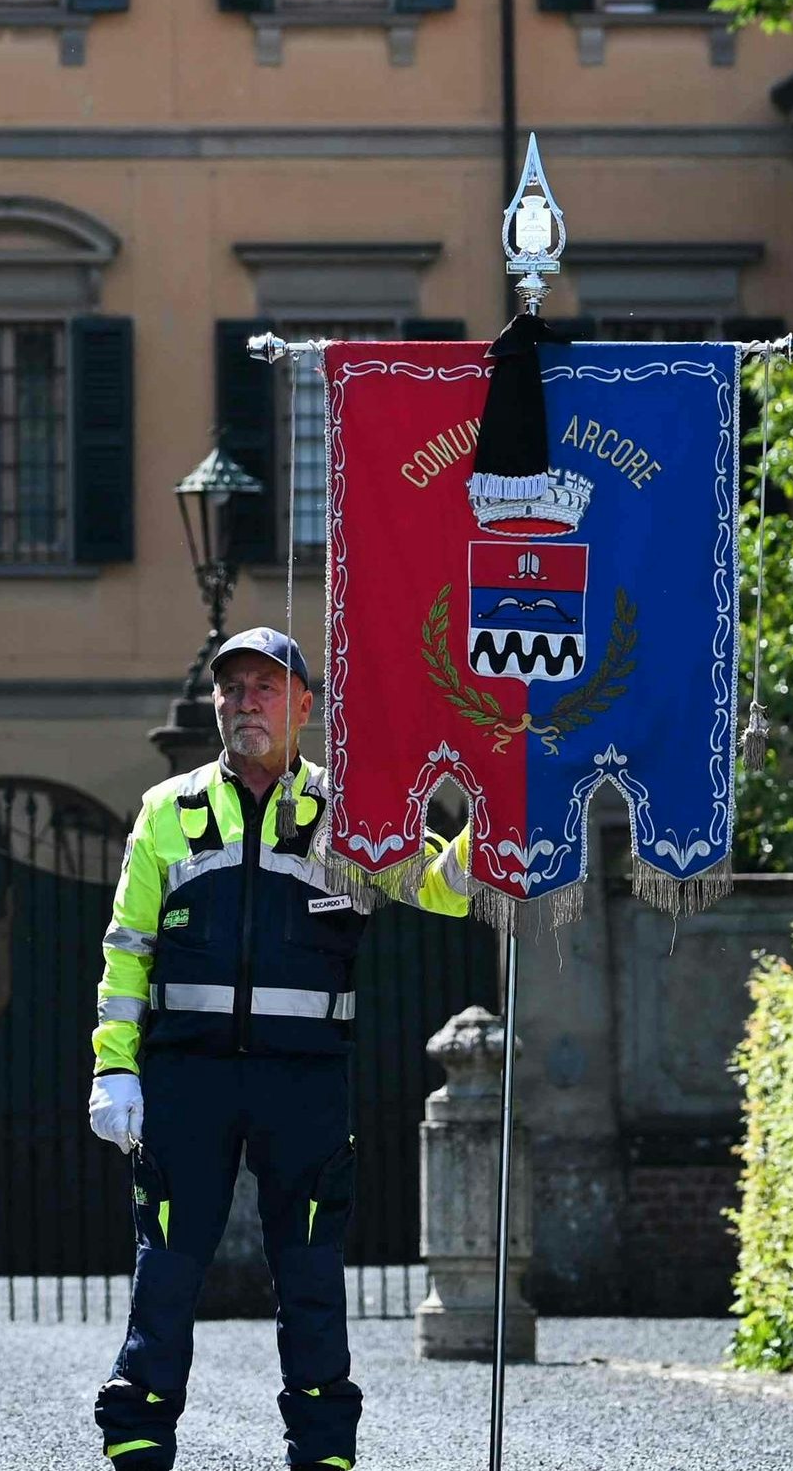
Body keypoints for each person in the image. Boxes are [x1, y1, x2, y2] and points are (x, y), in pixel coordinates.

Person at [87, 625, 471, 1471]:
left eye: (264, 688)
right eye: (232, 689)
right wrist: (115, 1067)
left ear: (305, 706)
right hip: (186, 1078)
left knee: (310, 1272)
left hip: (305, 1081)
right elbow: (127, 953)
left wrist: (507, 814)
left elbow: (443, 887)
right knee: (168, 1267)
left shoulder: (355, 811)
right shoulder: (166, 811)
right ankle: (139, 1438)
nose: (243, 703)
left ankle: (324, 1452)